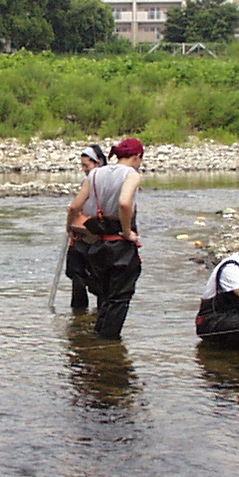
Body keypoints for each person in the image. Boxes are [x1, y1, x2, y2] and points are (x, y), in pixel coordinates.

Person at [66, 137, 143, 339]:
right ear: (137, 156)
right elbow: (125, 203)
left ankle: (97, 342)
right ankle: (107, 347)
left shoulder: (95, 174)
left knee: (105, 297)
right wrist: (127, 232)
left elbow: (74, 207)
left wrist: (70, 229)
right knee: (119, 299)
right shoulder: (132, 175)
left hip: (97, 246)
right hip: (120, 246)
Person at [66, 144, 107, 311]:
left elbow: (75, 207)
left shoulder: (94, 180)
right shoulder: (91, 179)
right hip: (93, 233)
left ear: (98, 163)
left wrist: (69, 225)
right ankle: (85, 315)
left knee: (87, 277)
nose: (84, 169)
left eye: (86, 166)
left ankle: (82, 316)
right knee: (82, 277)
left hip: (92, 234)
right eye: (82, 166)